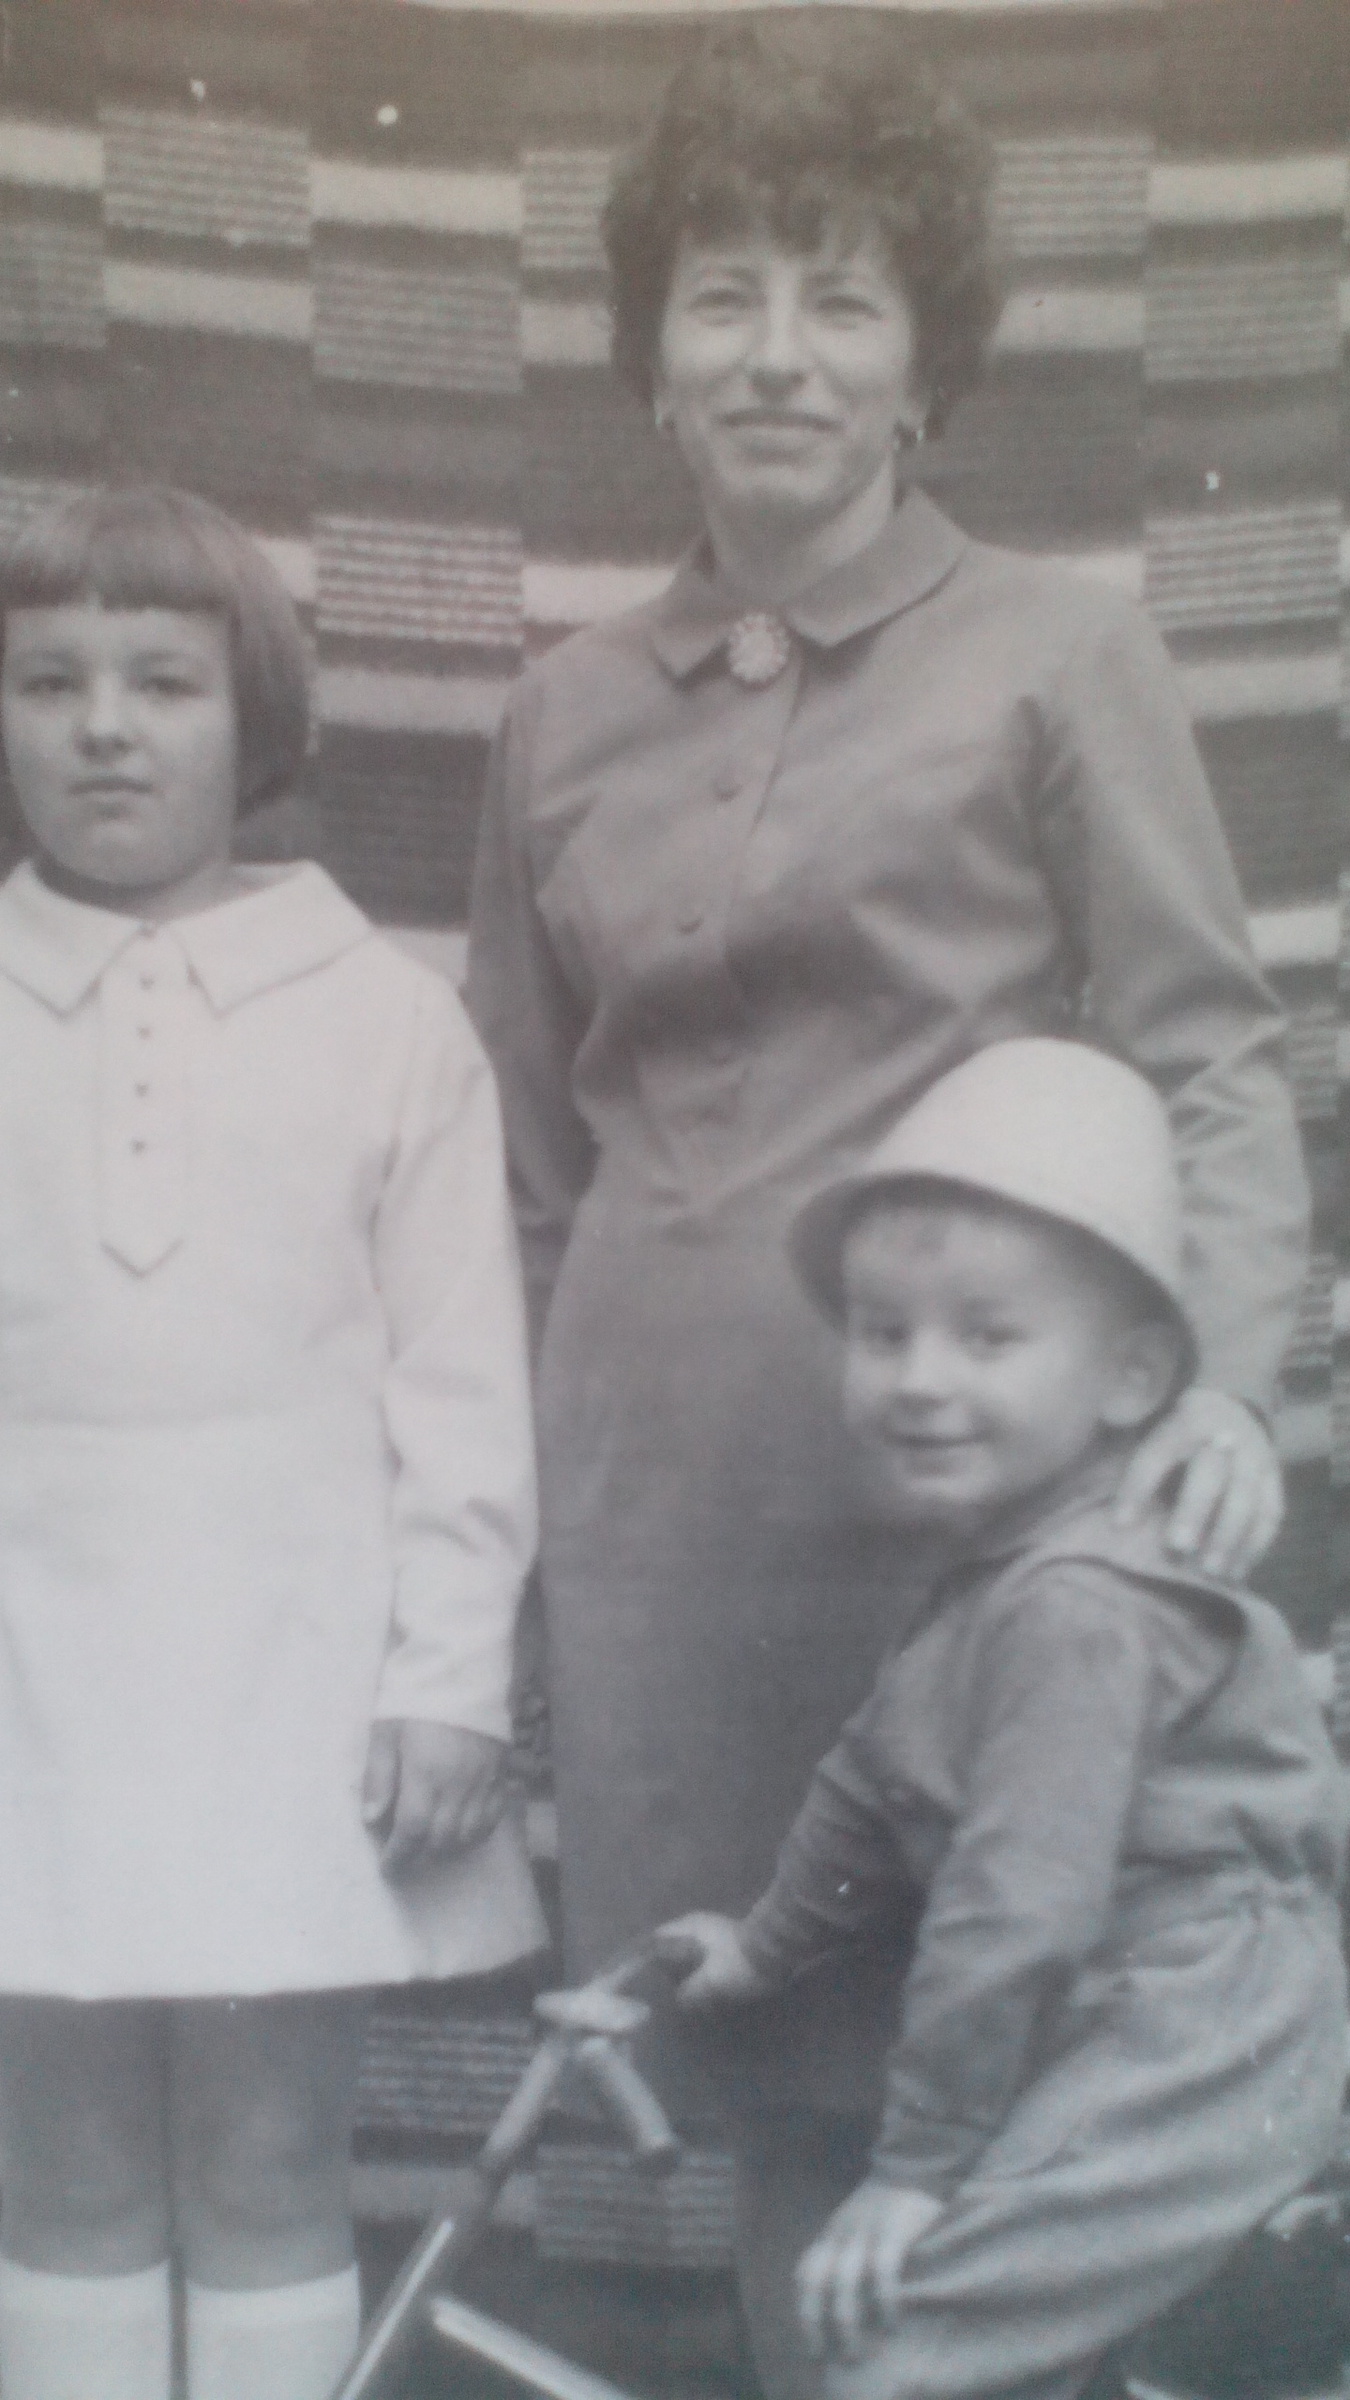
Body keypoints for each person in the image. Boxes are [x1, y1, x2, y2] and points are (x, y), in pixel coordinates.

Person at [465, 15, 1311, 2388]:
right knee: (755, 2059)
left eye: (841, 299)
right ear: (652, 360)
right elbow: (524, 1162)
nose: (778, 353)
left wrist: (1222, 1390)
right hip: (656, 1503)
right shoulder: (560, 710)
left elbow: (1213, 1054)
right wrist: (514, 1526)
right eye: (723, 294)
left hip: (967, 1492)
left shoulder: (1064, 648)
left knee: (1001, 2036)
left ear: (927, 365)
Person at [0, 484, 545, 2400]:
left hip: (291, 1687)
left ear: (259, 721)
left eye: (163, 681)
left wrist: (449, 1679)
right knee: (59, 2169)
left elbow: (462, 1383)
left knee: (266, 2167)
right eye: (47, 681)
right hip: (29, 1683)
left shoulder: (384, 1021)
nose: (104, 728)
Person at [663, 1038, 1349, 2400]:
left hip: (1199, 2024)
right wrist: (763, 1946)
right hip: (1122, 2008)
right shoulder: (993, 1576)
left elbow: (1017, 1904)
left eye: (987, 1336)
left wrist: (915, 2170)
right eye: (883, 1331)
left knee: (909, 2348)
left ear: (1133, 1377)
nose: (920, 1377)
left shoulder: (1076, 1606)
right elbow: (870, 1780)